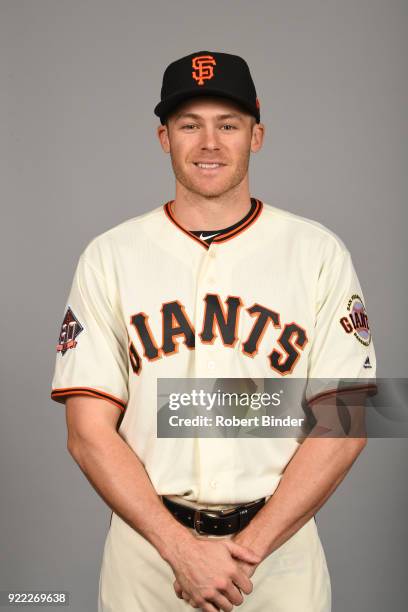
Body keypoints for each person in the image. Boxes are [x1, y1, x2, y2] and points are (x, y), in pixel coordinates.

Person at [50, 50, 377, 611]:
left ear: (257, 135)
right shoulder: (109, 255)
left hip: (279, 560)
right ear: (163, 138)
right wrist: (180, 549)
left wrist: (245, 551)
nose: (209, 143)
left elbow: (347, 423)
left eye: (228, 124)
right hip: (147, 559)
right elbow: (87, 433)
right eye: (189, 125)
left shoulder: (318, 252)